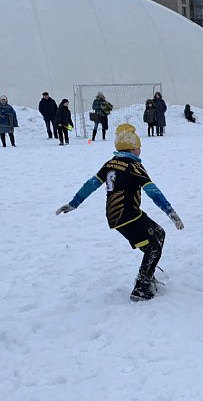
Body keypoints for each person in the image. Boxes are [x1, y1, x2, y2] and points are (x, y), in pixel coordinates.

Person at [55, 123, 185, 301]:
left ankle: (147, 275)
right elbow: (153, 191)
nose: (140, 149)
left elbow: (91, 184)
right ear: (132, 148)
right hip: (127, 215)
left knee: (158, 235)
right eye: (139, 146)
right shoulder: (134, 166)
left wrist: (74, 203)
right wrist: (171, 212)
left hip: (117, 215)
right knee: (154, 245)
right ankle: (141, 287)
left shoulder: (110, 163)